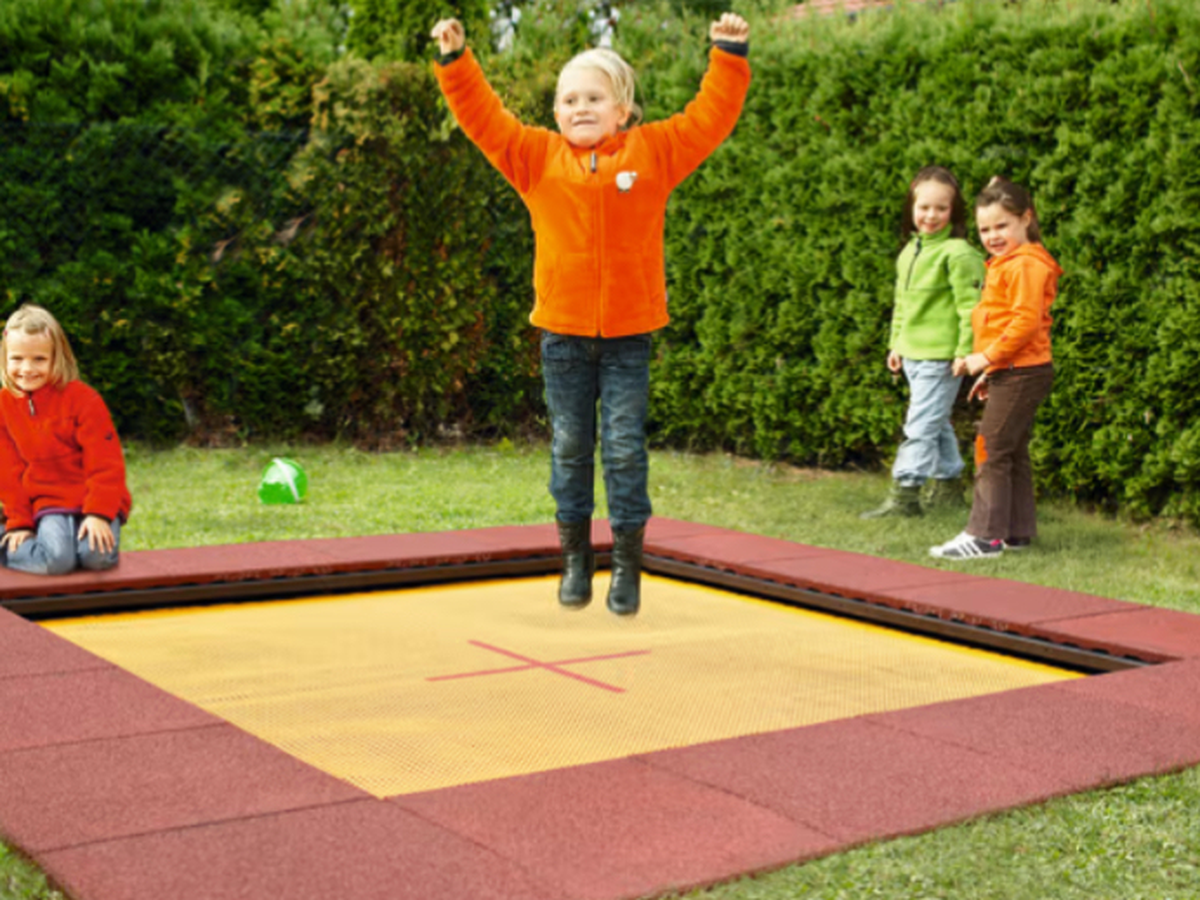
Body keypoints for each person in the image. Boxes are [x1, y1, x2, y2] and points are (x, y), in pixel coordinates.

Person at [430, 13, 751, 615]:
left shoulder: (654, 152)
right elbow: (483, 119)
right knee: (570, 448)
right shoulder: (535, 158)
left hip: (629, 338)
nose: (581, 107)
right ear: (556, 112)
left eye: (595, 98)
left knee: (624, 449)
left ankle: (627, 564)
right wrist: (456, 62)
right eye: (570, 99)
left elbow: (709, 119)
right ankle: (575, 560)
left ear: (621, 110)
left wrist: (728, 55)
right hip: (563, 337)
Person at [930, 177, 1061, 560]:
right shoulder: (1010, 263)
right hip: (1015, 369)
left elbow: (1025, 324)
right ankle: (1016, 532)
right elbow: (1004, 323)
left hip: (1023, 370)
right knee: (1011, 449)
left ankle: (984, 536)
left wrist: (984, 359)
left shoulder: (1026, 265)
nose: (993, 236)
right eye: (985, 229)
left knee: (990, 447)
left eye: (1002, 225)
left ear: (1026, 219)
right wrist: (993, 369)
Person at [862, 166, 985, 519]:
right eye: (924, 207)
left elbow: (972, 309)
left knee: (919, 427)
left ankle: (905, 495)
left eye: (941, 208)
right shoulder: (909, 252)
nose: (931, 215)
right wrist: (896, 345)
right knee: (936, 422)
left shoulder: (958, 254)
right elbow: (902, 304)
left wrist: (965, 352)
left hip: (940, 358)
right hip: (912, 354)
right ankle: (948, 488)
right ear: (911, 208)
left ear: (954, 212)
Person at [0, 304, 132, 575]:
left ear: (57, 357)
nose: (27, 368)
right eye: (17, 359)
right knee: (57, 561)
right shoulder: (4, 406)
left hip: (95, 497)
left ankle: (79, 539)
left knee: (96, 557)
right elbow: (8, 473)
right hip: (48, 501)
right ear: (5, 359)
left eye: (39, 359)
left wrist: (98, 514)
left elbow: (106, 463)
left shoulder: (84, 400)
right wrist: (19, 523)